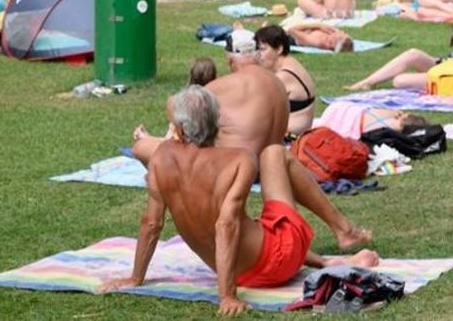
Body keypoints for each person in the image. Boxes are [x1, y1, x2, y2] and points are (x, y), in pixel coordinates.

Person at [102, 86, 377, 316]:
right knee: (273, 154)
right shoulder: (239, 159)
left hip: (238, 269)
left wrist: (136, 278)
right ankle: (342, 232)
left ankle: (326, 260)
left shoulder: (161, 158)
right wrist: (227, 296)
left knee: (260, 225)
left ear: (181, 131)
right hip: (274, 261)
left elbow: (151, 223)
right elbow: (226, 225)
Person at [132, 32, 372, 252]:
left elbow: (176, 106)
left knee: (143, 147)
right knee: (279, 154)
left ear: (230, 60)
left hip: (233, 168)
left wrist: (153, 139)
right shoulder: (278, 82)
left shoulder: (227, 85)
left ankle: (166, 183)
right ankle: (343, 228)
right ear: (256, 55)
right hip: (267, 164)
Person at [347, 0, 453, 91]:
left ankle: (427, 80)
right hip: (449, 64)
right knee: (413, 54)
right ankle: (368, 82)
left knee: (398, 81)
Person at [255, 25, 319, 134]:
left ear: (279, 49)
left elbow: (255, 107)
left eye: (262, 49)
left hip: (290, 138)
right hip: (297, 132)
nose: (258, 55)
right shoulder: (291, 63)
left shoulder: (284, 76)